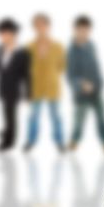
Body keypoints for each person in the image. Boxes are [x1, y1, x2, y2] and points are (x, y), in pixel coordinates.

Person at [66, 15, 104, 153]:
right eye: (81, 30)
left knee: (101, 118)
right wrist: (81, 84)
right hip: (81, 93)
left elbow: (95, 68)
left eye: (86, 30)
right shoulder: (72, 50)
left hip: (96, 90)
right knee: (79, 120)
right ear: (76, 30)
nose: (84, 33)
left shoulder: (91, 46)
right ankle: (74, 141)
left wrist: (98, 83)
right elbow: (71, 74)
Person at [24, 13, 66, 152]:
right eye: (37, 26)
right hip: (36, 87)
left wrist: (51, 76)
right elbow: (25, 68)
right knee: (33, 116)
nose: (40, 28)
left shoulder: (57, 46)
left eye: (43, 25)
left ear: (47, 27)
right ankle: (30, 141)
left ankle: (60, 142)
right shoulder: (29, 47)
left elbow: (62, 66)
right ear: (35, 28)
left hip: (52, 87)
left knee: (56, 116)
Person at [0, 18, 30, 152]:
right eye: (0, 34)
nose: (2, 37)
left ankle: (9, 141)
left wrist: (28, 94)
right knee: (5, 113)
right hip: (1, 87)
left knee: (11, 115)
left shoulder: (23, 52)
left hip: (13, 90)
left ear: (13, 34)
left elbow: (26, 75)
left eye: (4, 34)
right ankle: (7, 130)